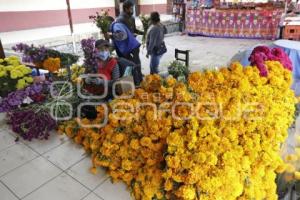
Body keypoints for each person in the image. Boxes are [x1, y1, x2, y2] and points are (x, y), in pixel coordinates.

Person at [110, 0, 143, 84]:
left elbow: (134, 30)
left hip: (133, 45)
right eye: (131, 9)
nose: (132, 11)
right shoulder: (120, 20)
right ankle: (133, 81)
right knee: (128, 66)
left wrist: (143, 33)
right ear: (125, 8)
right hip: (125, 48)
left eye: (133, 8)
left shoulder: (132, 18)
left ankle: (139, 78)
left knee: (137, 62)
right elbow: (120, 36)